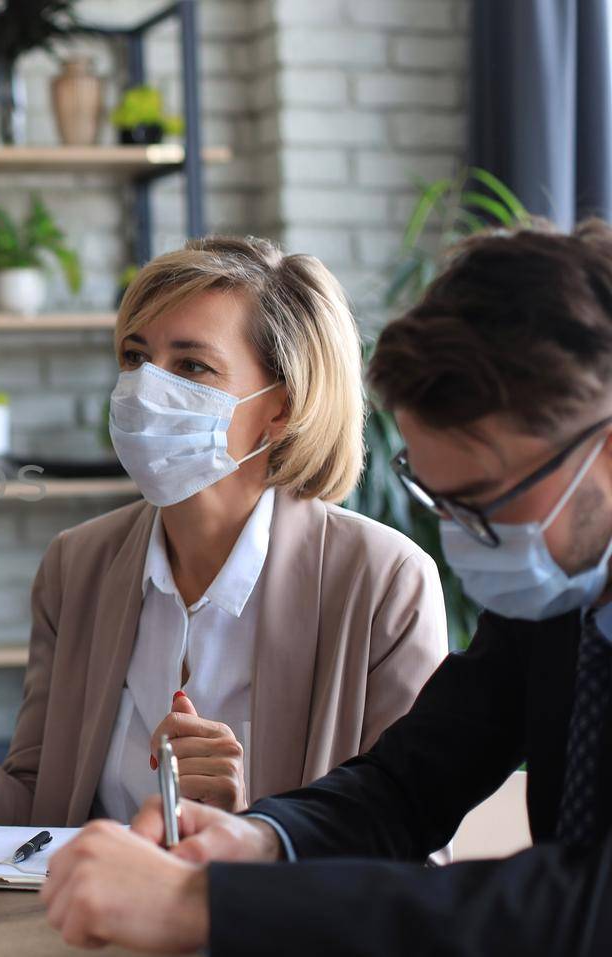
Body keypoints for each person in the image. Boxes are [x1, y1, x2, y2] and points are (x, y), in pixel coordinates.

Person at [36, 221, 612, 956]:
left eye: (487, 498)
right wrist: (262, 838)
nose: (465, 534)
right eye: (440, 497)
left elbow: (584, 907)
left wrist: (212, 905)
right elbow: (408, 785)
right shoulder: (558, 594)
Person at [0, 236, 448, 828]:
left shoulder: (383, 581)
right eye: (135, 357)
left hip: (267, 933)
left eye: (191, 366)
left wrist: (253, 833)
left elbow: (411, 852)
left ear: (282, 407)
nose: (145, 388)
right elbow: (38, 824)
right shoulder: (77, 566)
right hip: (79, 931)